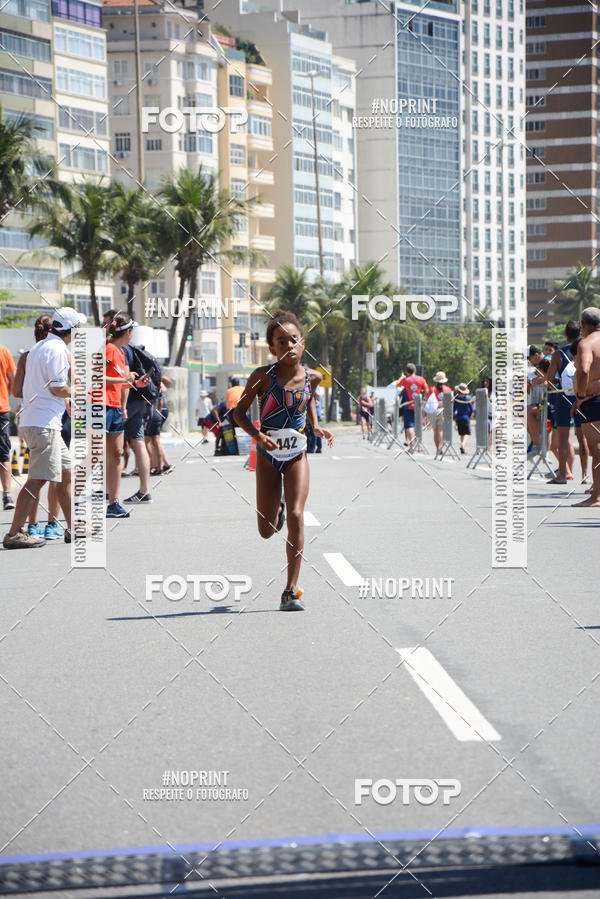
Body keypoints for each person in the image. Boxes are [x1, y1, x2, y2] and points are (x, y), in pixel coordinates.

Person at [234, 310, 334, 611]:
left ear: (303, 343)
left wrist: (315, 426)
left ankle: (290, 590)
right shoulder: (262, 377)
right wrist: (257, 436)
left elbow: (310, 398)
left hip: (296, 455)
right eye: (281, 341)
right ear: (272, 348)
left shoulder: (314, 376)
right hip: (267, 455)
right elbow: (239, 413)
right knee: (266, 530)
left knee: (297, 515)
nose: (289, 345)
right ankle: (273, 510)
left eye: (294, 339)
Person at [3, 308, 84, 549]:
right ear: (71, 329)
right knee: (36, 480)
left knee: (67, 473)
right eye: (78, 327)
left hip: (39, 421)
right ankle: (14, 533)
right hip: (43, 424)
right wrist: (79, 392)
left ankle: (73, 527)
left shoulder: (40, 347)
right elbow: (58, 388)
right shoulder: (58, 349)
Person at [12, 313, 67, 538]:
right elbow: (62, 387)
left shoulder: (28, 355)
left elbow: (16, 392)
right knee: (43, 477)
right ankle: (50, 524)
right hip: (48, 419)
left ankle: (34, 525)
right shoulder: (58, 351)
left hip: (29, 418)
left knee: (53, 472)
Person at [104, 312, 151, 518]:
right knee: (93, 457)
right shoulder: (108, 349)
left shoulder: (122, 352)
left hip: (114, 407)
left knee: (116, 456)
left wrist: (134, 383)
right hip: (100, 407)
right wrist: (123, 378)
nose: (133, 335)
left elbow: (120, 382)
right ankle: (75, 501)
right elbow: (96, 377)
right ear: (128, 332)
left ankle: (113, 503)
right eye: (133, 331)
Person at [571, 307, 600, 507]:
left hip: (593, 402)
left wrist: (580, 396)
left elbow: (583, 370)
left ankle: (596, 496)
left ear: (582, 325)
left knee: (597, 449)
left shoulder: (586, 344)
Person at [545, 320, 580, 484]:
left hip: (565, 398)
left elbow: (549, 380)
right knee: (584, 437)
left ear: (565, 335)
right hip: (583, 396)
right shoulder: (587, 348)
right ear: (580, 334)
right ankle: (587, 475)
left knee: (565, 437)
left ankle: (562, 475)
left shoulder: (558, 354)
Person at [121, 336, 153, 504]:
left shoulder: (122, 349)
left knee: (106, 444)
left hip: (123, 403)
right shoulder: (131, 349)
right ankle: (144, 491)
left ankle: (106, 491)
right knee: (138, 443)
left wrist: (123, 406)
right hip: (138, 401)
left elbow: (125, 380)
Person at [568, 337, 590, 484]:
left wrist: (580, 399)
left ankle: (587, 475)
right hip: (582, 404)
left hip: (587, 404)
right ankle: (585, 474)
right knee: (585, 441)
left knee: (589, 442)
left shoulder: (583, 365)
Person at [145, 377, 174, 475]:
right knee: (156, 441)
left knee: (147, 441)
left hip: (151, 413)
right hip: (158, 413)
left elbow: (146, 401)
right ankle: (160, 466)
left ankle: (153, 466)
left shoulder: (149, 384)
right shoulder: (158, 384)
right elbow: (161, 400)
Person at [0, 340, 16, 512]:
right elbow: (13, 379)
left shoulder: (3, 351)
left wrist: (5, 396)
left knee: (3, 452)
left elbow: (13, 377)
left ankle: (7, 494)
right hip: (2, 407)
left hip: (1, 409)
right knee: (3, 452)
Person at [397, 363, 428, 448]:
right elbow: (426, 390)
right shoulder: (421, 379)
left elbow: (398, 385)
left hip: (408, 406)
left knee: (410, 426)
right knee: (418, 425)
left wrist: (402, 378)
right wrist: (424, 399)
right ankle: (419, 446)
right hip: (418, 406)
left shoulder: (406, 380)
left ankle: (412, 444)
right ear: (415, 371)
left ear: (407, 372)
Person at [424, 372, 451, 453]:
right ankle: (440, 447)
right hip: (443, 411)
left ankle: (437, 448)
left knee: (435, 431)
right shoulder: (448, 389)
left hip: (433, 412)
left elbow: (426, 400)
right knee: (440, 430)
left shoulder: (432, 389)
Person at [526, 346, 545, 458]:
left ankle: (537, 445)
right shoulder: (537, 367)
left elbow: (547, 378)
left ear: (536, 355)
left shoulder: (548, 361)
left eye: (529, 358)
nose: (529, 361)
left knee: (527, 411)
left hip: (551, 403)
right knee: (521, 412)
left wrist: (531, 380)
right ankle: (535, 441)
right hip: (541, 402)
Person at [453, 383, 473, 454]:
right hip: (466, 417)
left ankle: (464, 449)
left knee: (461, 434)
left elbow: (454, 409)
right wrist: (469, 416)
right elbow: (471, 410)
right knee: (467, 433)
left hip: (459, 418)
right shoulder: (467, 399)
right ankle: (463, 444)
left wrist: (454, 417)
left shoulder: (457, 399)